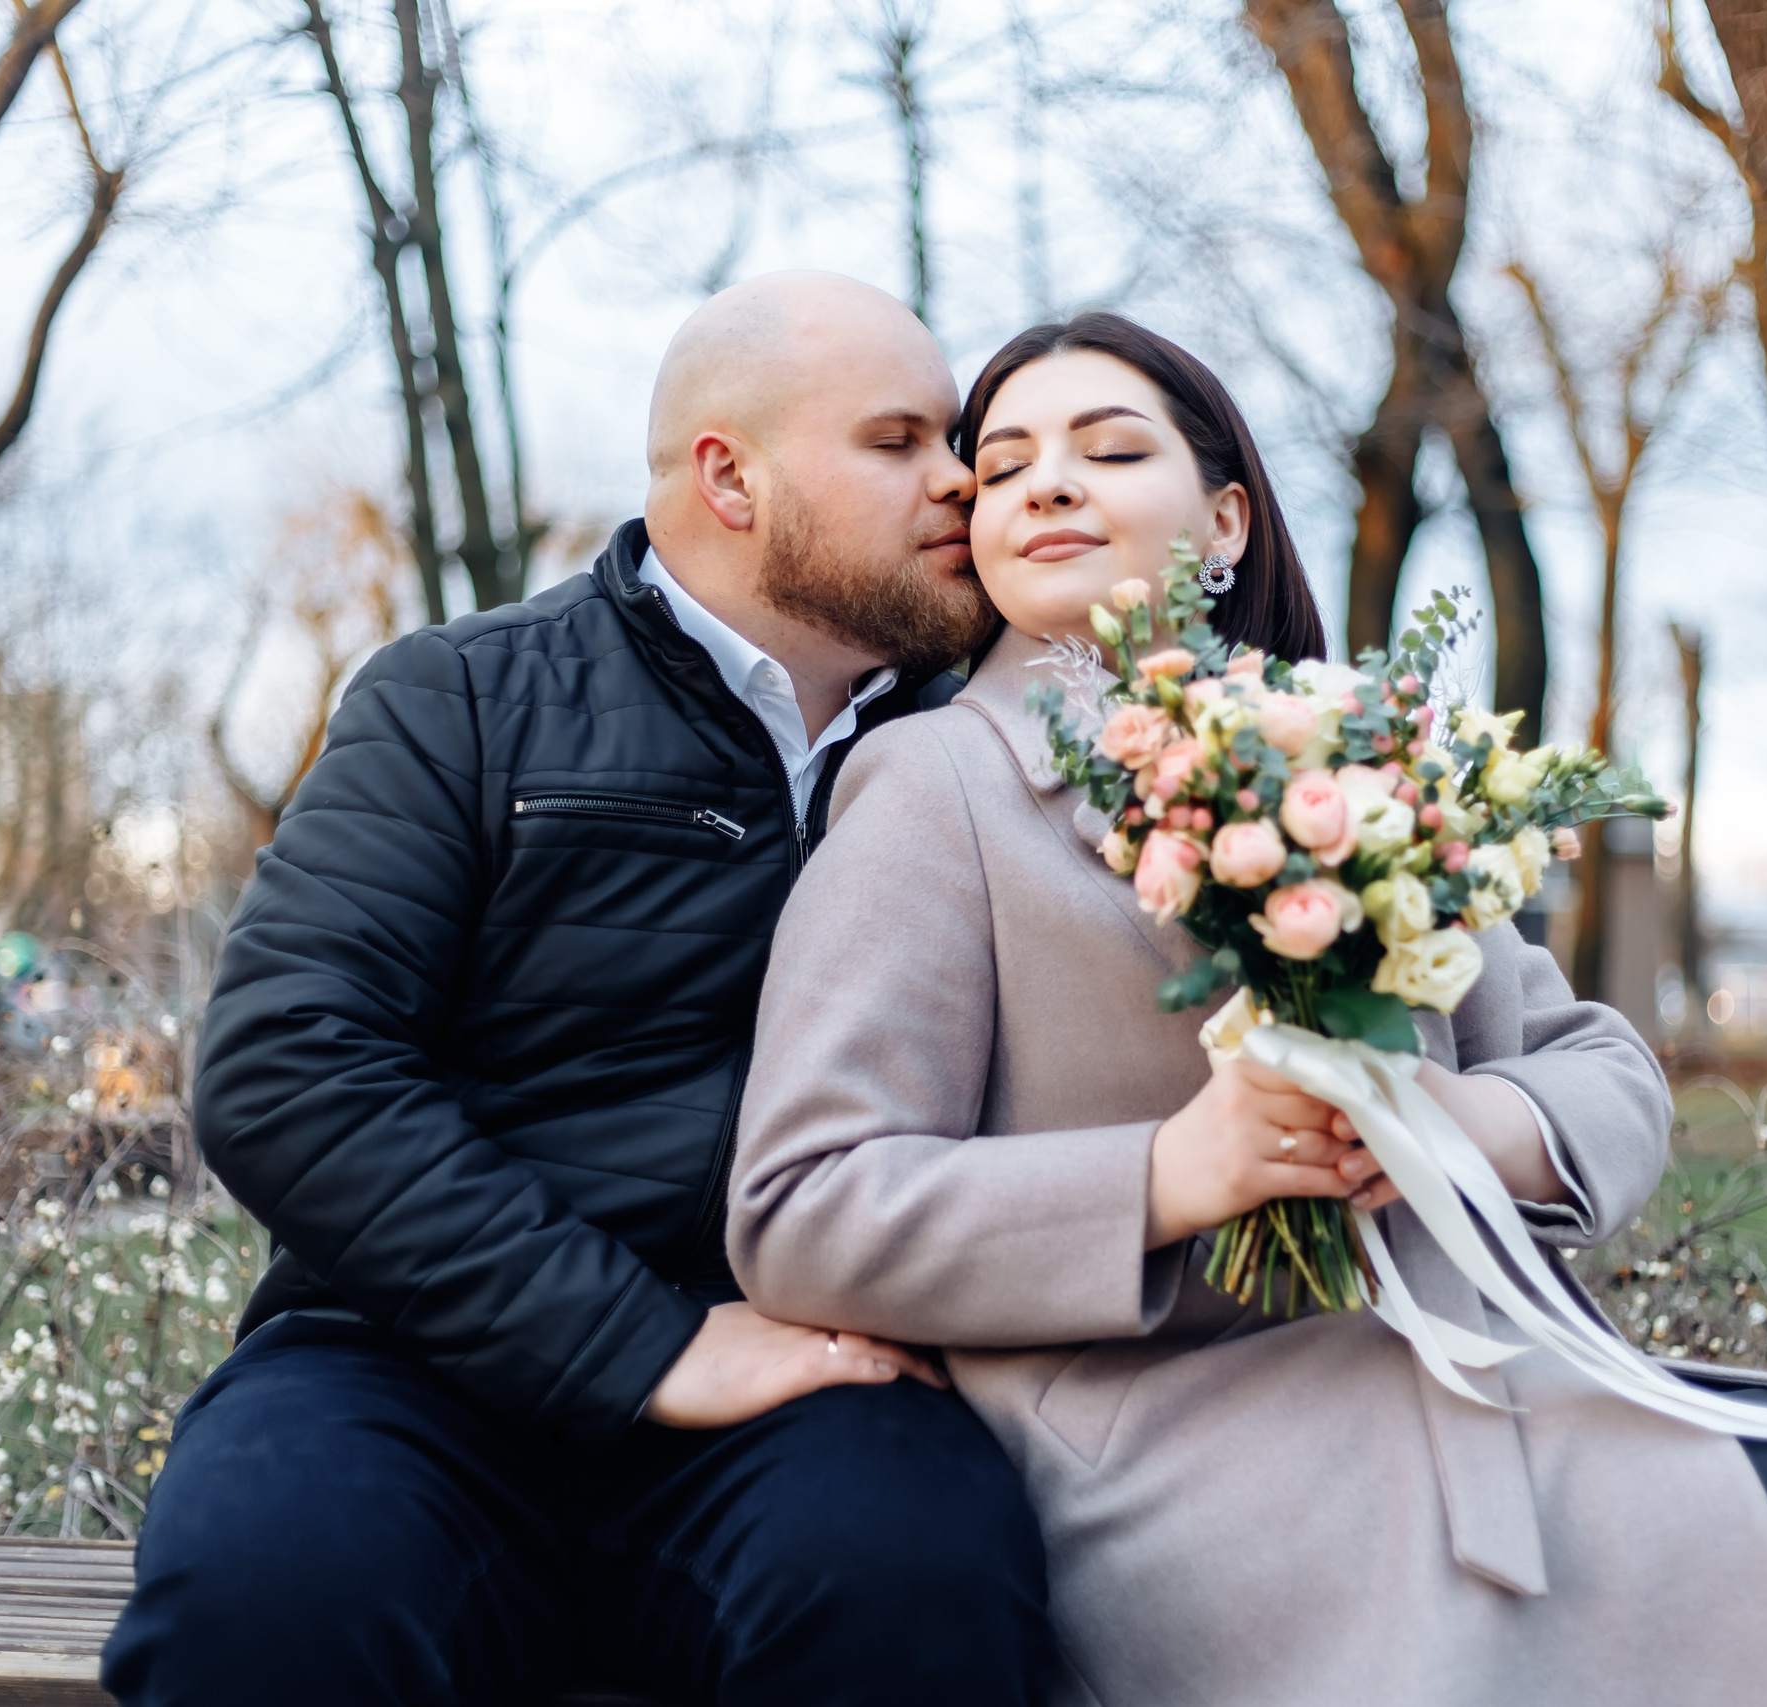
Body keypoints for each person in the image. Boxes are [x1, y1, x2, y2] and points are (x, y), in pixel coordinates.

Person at [728, 311, 1767, 1707]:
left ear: (1225, 523)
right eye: (1009, 461)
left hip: (1474, 1369)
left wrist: (1467, 1120)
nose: (1046, 480)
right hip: (1171, 1441)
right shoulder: (935, 794)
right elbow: (801, 1207)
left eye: (1109, 450)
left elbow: (1598, 1067)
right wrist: (1176, 1175)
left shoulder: (1352, 761)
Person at [101, 272, 1062, 1707]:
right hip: (403, 1363)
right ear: (729, 477)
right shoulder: (462, 699)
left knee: (917, 1588)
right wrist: (644, 1344)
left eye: (957, 440)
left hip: (818, 1376)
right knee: (264, 1603)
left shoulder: (986, 745)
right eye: (898, 441)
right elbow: (289, 1064)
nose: (961, 480)